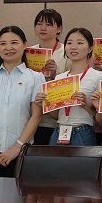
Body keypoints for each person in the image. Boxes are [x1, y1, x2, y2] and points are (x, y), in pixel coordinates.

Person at [0, 26, 44, 177]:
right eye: (3, 43)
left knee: (17, 192)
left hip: (21, 153)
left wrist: (17, 148)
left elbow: (36, 116)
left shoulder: (36, 77)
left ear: (25, 44)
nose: (8, 47)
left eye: (14, 43)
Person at [41, 28, 102, 146]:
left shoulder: (98, 76)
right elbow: (56, 115)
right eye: (69, 43)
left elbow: (101, 120)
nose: (73, 47)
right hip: (59, 131)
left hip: (83, 132)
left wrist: (86, 105)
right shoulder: (59, 78)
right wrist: (45, 103)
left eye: (80, 43)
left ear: (90, 48)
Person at [31, 8, 69, 145]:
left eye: (48, 24)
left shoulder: (67, 51)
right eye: (39, 24)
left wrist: (54, 76)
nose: (43, 28)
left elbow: (72, 83)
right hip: (31, 118)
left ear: (59, 29)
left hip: (55, 119)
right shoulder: (29, 52)